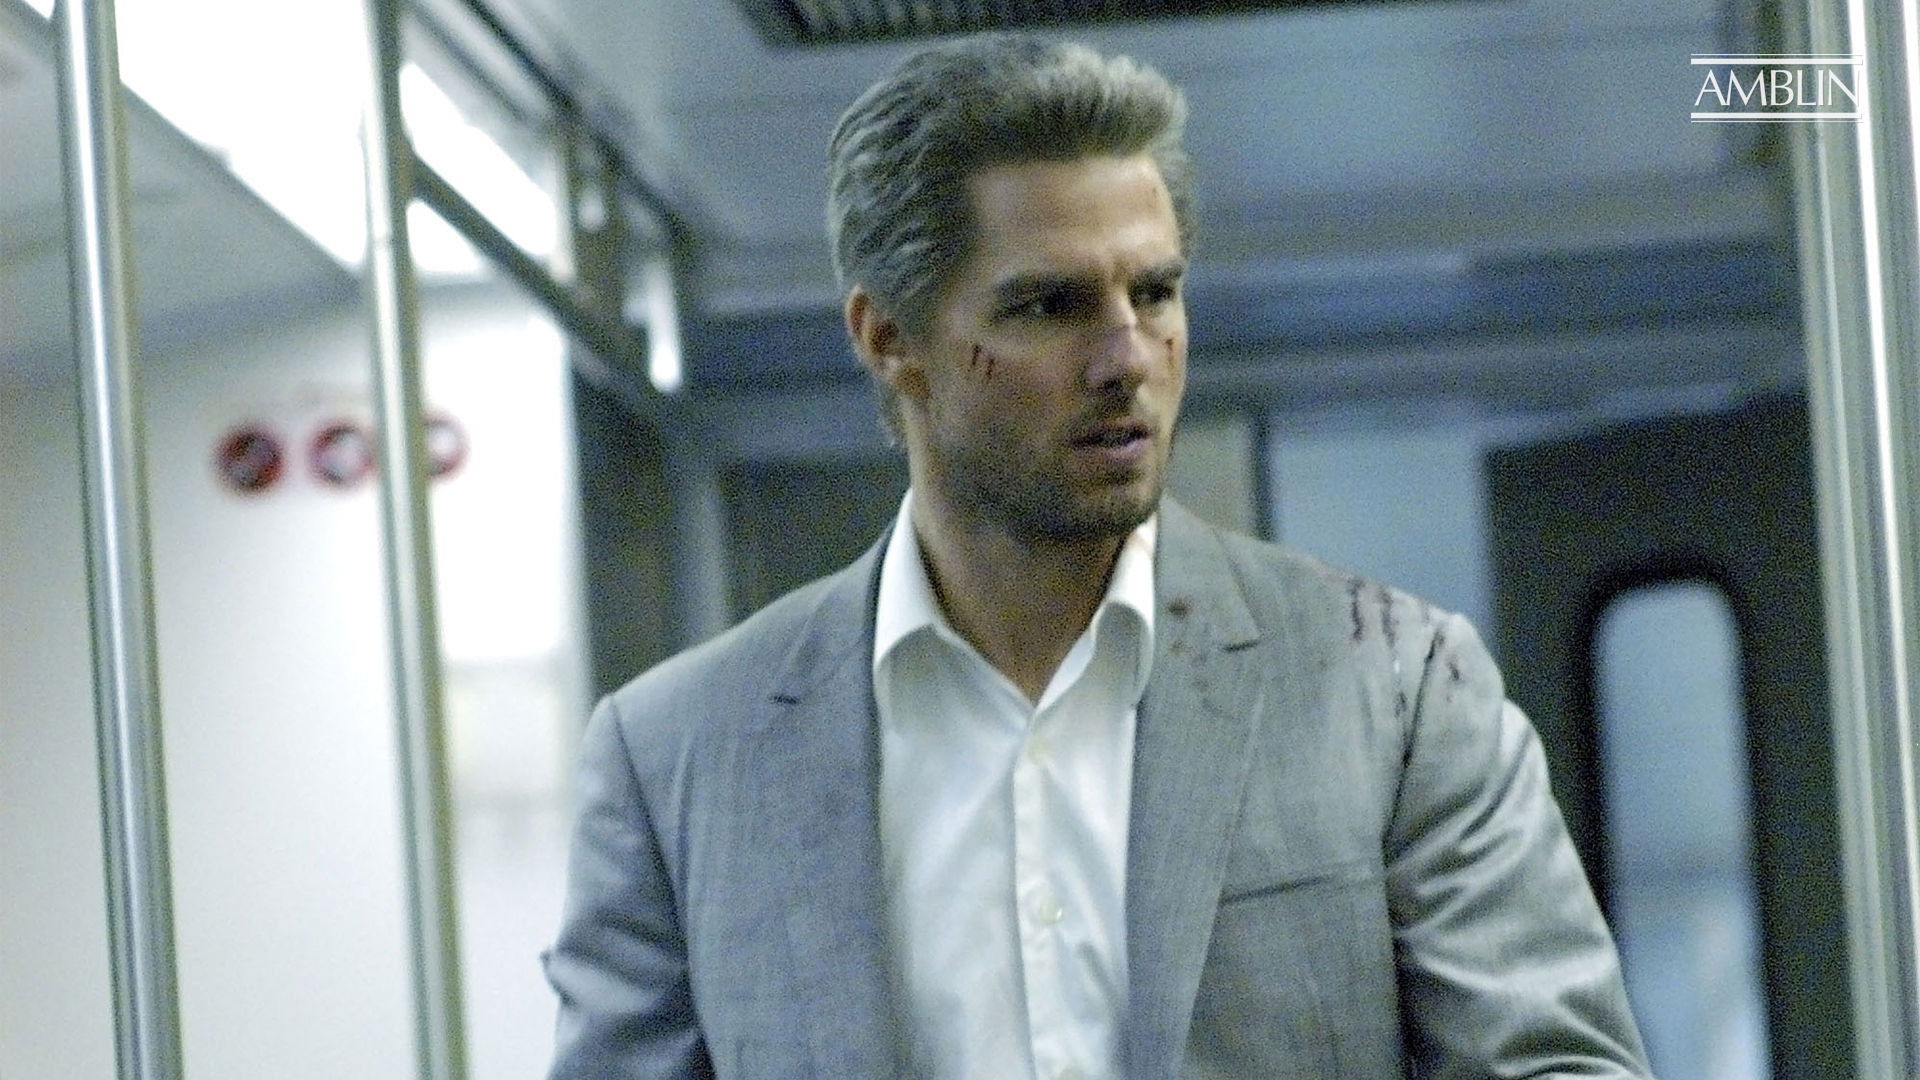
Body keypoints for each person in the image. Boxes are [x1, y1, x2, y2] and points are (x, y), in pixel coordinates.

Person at [544, 32, 1654, 1079]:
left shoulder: (1395, 687)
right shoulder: (679, 761)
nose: (1128, 356)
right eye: (1050, 305)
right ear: (889, 340)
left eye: (1155, 292)